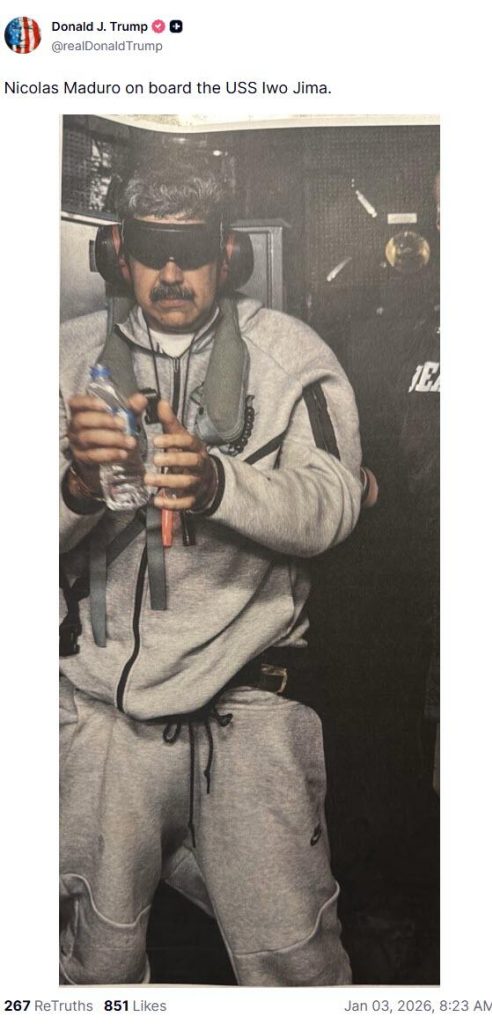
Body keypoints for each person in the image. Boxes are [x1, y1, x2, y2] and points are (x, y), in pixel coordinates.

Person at [59, 158, 362, 986]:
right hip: (103, 720)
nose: (169, 273)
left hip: (250, 709)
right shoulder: (57, 361)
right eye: (149, 250)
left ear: (228, 256)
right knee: (94, 965)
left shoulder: (291, 356)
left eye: (190, 252)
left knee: (293, 964)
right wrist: (79, 486)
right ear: (116, 252)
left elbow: (334, 502)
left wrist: (220, 485)